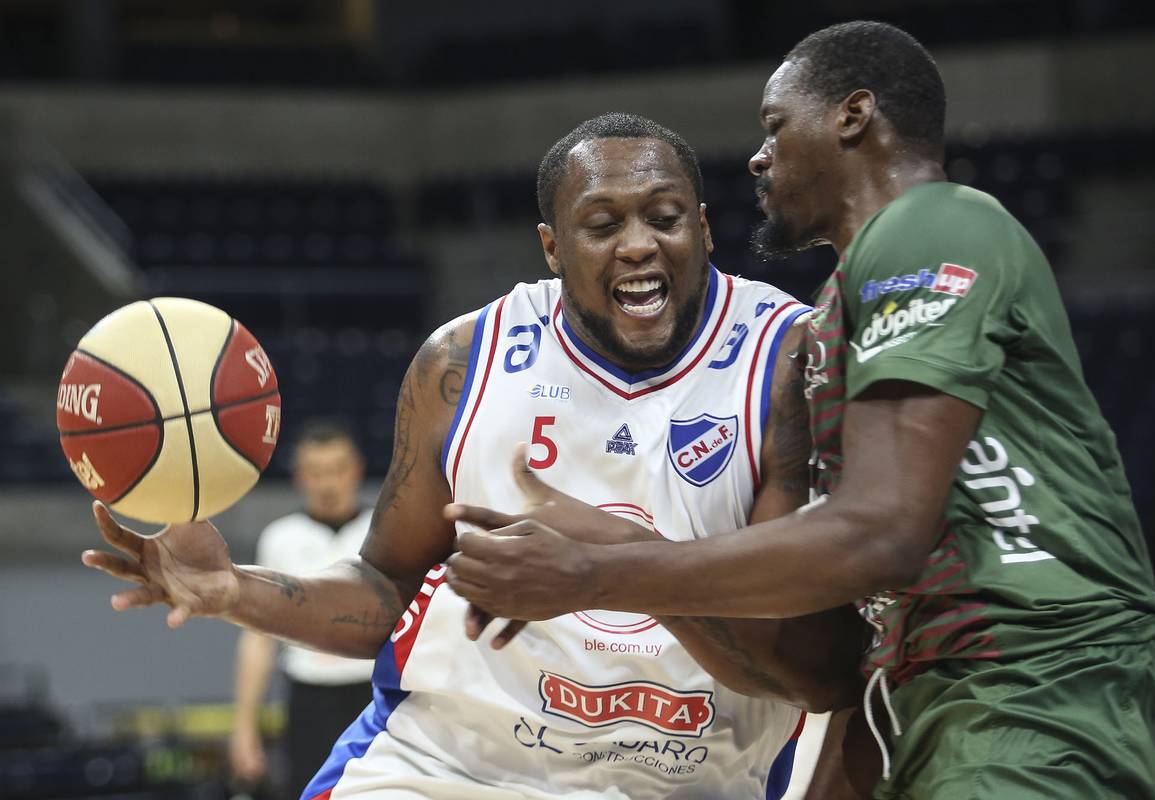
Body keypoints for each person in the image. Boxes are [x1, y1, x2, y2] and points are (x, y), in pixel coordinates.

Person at [443, 22, 1155, 800]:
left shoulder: (930, 224)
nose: (758, 157)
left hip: (1046, 685)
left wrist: (596, 572)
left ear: (853, 115)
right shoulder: (833, 316)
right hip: (938, 701)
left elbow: (880, 534)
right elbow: (839, 626)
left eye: (775, 127)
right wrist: (619, 550)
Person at [82, 113, 868, 799]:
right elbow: (384, 589)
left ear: (703, 225)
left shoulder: (785, 359)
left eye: (664, 217)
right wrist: (231, 590)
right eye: (602, 225)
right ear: (552, 247)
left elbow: (807, 666)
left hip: (687, 776)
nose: (638, 246)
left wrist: (615, 567)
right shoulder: (463, 362)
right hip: (451, 766)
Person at [229, 422, 374, 800]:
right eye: (317, 472)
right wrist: (245, 727)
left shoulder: (384, 532)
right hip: (310, 697)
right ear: (300, 477)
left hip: (376, 695)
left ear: (356, 471)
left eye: (337, 470)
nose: (328, 483)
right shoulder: (281, 538)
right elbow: (258, 638)